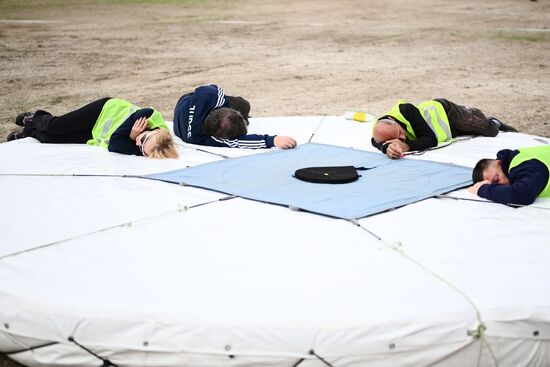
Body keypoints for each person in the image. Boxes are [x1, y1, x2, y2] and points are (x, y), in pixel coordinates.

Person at [7, 97, 178, 159]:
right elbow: (117, 142)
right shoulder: (147, 115)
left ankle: (28, 133)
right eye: (142, 141)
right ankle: (35, 118)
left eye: (141, 150)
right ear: (154, 131)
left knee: (51, 139)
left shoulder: (146, 144)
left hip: (97, 133)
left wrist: (135, 139)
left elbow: (115, 145)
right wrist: (132, 137)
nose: (138, 145)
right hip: (102, 112)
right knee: (56, 127)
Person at [371, 98, 518, 159]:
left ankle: (485, 118)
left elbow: (430, 140)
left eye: (400, 133)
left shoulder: (407, 110)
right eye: (395, 139)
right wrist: (386, 148)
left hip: (448, 113)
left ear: (392, 120)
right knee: (464, 132)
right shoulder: (380, 128)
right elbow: (374, 141)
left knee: (491, 130)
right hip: (448, 131)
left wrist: (406, 145)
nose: (402, 137)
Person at [173, 84, 297, 149]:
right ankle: (243, 120)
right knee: (244, 105)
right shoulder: (198, 138)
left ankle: (241, 118)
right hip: (184, 109)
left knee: (242, 104)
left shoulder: (209, 96)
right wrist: (272, 140)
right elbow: (236, 142)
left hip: (188, 102)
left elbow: (209, 88)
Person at [469, 145, 550, 205]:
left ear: (499, 163)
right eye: (495, 186)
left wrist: (483, 189)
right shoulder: (516, 157)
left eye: (497, 179)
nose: (500, 187)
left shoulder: (523, 166)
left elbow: (522, 194)